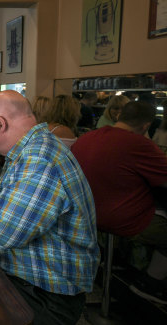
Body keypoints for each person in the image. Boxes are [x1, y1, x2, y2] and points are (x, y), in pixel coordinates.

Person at [0, 90, 99, 325]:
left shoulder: (38, 160)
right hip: (32, 281)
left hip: (47, 294)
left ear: (0, 123)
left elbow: (2, 233)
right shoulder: (35, 147)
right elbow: (20, 205)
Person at [71, 101, 167, 304]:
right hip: (118, 219)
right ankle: (149, 284)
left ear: (119, 116)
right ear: (145, 126)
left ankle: (117, 261)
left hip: (85, 214)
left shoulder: (88, 137)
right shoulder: (138, 144)